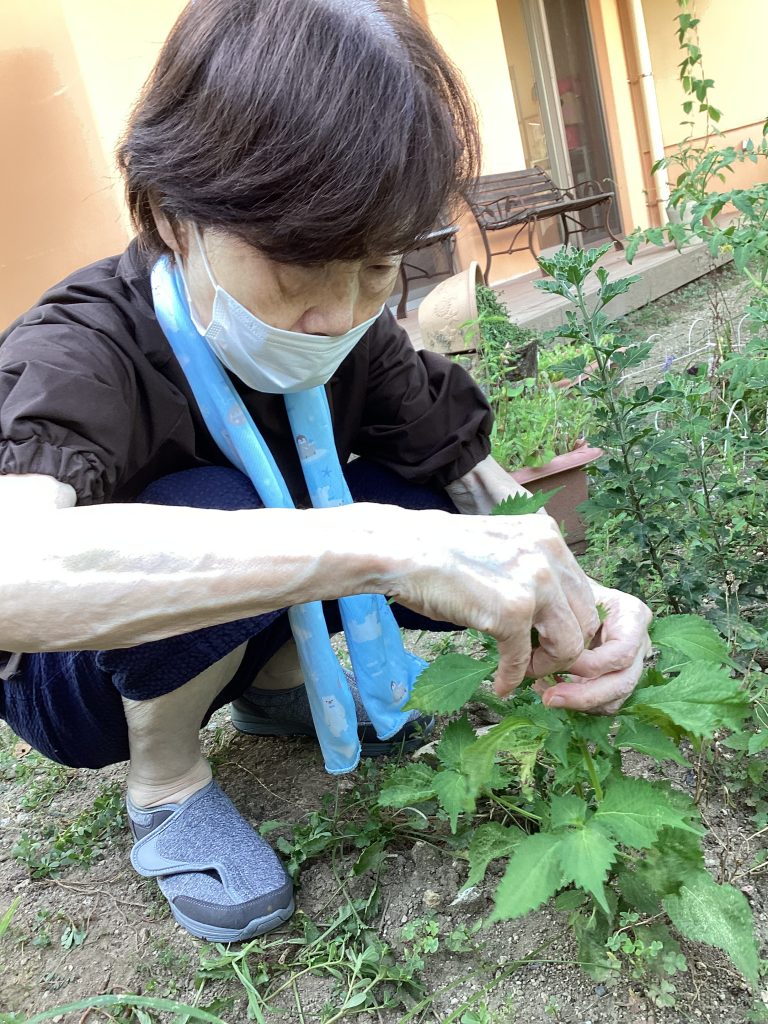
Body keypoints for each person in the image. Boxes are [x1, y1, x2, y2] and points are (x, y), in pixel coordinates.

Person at [0, 0, 651, 943]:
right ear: (177, 213)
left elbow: (478, 488)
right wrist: (372, 543)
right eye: (297, 262)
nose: (337, 313)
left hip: (229, 622)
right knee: (230, 507)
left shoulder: (357, 332)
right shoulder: (80, 348)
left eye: (379, 265)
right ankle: (166, 787)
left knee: (420, 499)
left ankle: (269, 686)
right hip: (79, 682)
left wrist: (581, 603)